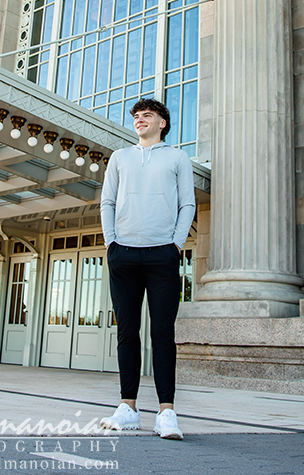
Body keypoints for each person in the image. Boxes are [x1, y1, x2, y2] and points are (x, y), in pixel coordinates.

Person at [99, 98, 195, 439]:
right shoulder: (120, 158)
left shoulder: (178, 158)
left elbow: (188, 203)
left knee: (162, 334)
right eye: (137, 117)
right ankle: (128, 407)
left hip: (162, 256)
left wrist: (176, 244)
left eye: (147, 116)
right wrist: (111, 242)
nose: (140, 120)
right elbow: (107, 201)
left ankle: (166, 412)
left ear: (162, 123)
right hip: (123, 254)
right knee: (126, 332)